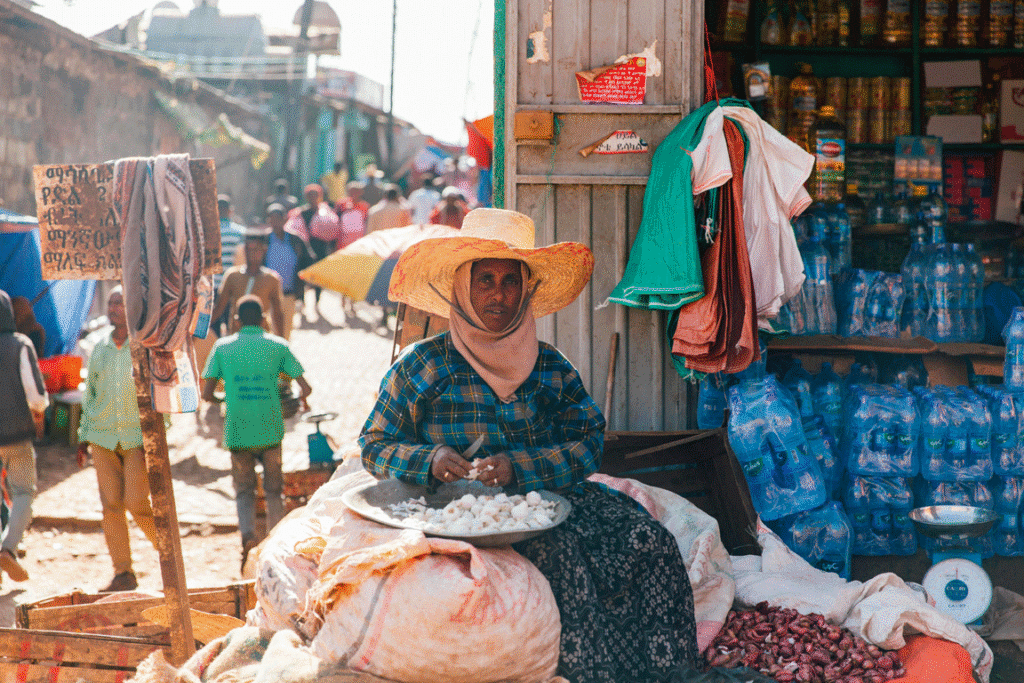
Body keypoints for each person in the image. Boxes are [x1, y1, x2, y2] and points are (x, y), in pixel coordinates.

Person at [359, 209, 700, 683]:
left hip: (547, 501)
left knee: (651, 542)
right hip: (454, 515)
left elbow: (587, 441)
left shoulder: (550, 366)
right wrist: (429, 459)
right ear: (462, 287)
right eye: (485, 280)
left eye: (510, 282)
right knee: (566, 563)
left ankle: (670, 673)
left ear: (526, 291)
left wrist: (520, 467)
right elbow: (373, 445)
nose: (498, 295)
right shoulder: (424, 365)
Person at [201, 295, 311, 567]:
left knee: (243, 490)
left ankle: (248, 537)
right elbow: (306, 388)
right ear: (263, 319)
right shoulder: (278, 346)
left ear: (237, 320)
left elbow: (207, 394)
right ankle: (276, 539)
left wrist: (226, 399)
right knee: (274, 490)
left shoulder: (222, 348)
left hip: (238, 431)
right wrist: (290, 398)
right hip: (270, 430)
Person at [76, 287, 160, 592]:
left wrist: (159, 435)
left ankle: (168, 552)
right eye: (111, 303)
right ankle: (123, 572)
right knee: (111, 505)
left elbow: (160, 392)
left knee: (137, 502)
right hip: (102, 436)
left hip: (137, 437)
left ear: (133, 307)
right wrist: (83, 436)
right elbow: (90, 393)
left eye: (120, 303)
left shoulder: (145, 347)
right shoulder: (99, 347)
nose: (114, 308)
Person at [0, 289, 47, 583]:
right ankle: (7, 549)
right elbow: (36, 396)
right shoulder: (20, 344)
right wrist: (38, 414)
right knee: (22, 492)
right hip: (16, 434)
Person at [209, 228, 286, 339]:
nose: (251, 253)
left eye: (256, 249)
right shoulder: (232, 276)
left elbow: (278, 313)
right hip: (237, 337)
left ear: (264, 250)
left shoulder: (271, 279)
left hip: (262, 338)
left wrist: (282, 341)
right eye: (248, 249)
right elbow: (219, 308)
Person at [284, 184, 340, 307]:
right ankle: (302, 300)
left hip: (320, 248)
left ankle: (317, 300)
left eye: (315, 195)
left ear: (319, 196)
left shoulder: (326, 213)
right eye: (310, 195)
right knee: (303, 275)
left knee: (319, 275)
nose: (312, 198)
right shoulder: (300, 212)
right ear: (306, 197)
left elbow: (333, 232)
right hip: (304, 249)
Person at [264, 204, 314, 340]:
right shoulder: (264, 240)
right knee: (270, 332)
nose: (275, 223)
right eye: (272, 220)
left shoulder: (295, 240)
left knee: (286, 332)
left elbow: (309, 260)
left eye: (278, 219)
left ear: (285, 219)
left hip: (289, 294)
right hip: (268, 296)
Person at [216, 195, 245, 293]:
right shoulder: (241, 232)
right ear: (230, 211)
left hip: (213, 286)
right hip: (234, 285)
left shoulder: (207, 233)